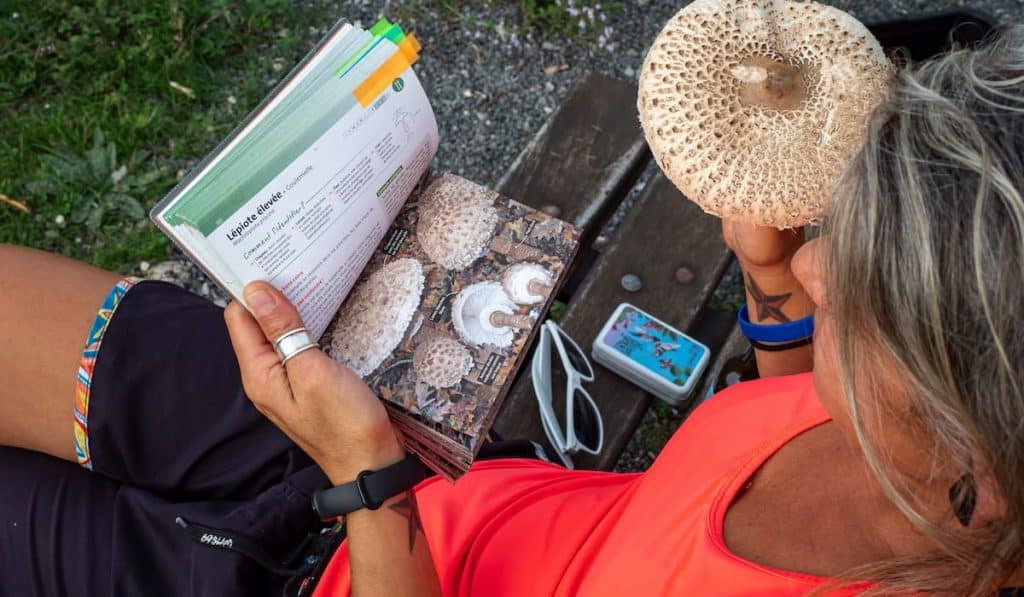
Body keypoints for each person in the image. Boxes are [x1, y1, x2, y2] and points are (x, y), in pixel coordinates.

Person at [3, 26, 1024, 597]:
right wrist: (764, 294)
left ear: (969, 442)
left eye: (876, 285)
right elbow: (804, 410)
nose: (820, 266)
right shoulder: (922, 434)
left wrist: (369, 491)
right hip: (426, 453)